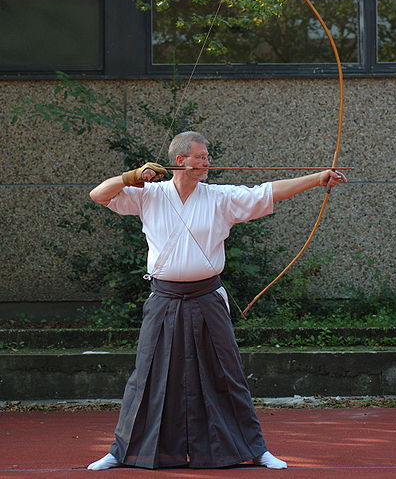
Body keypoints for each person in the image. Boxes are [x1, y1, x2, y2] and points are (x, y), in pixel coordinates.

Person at [87, 131, 347, 471]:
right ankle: (122, 451)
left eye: (207, 156)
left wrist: (317, 178)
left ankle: (255, 449)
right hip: (164, 299)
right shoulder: (147, 195)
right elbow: (98, 195)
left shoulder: (220, 198)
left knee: (228, 373)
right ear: (180, 161)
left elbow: (268, 192)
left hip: (206, 297)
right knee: (146, 374)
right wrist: (131, 177)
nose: (207, 162)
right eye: (200, 157)